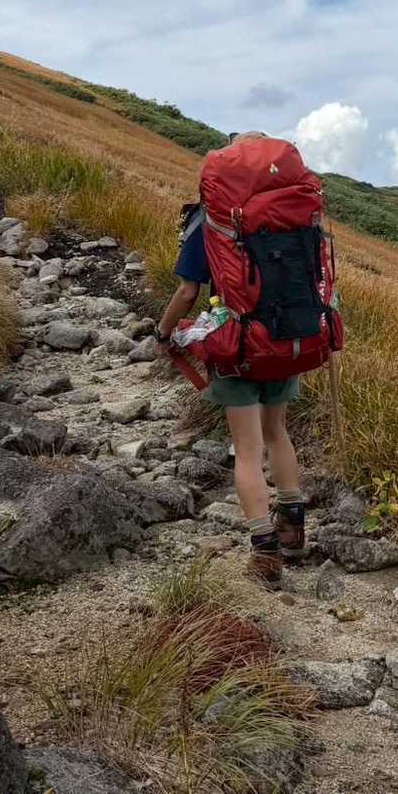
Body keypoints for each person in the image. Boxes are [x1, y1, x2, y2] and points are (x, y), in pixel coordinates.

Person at [154, 135, 307, 589]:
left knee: (247, 449)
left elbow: (188, 291)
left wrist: (163, 332)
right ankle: (293, 530)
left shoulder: (213, 216)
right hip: (288, 337)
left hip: (239, 345)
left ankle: (265, 554)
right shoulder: (294, 211)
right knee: (277, 432)